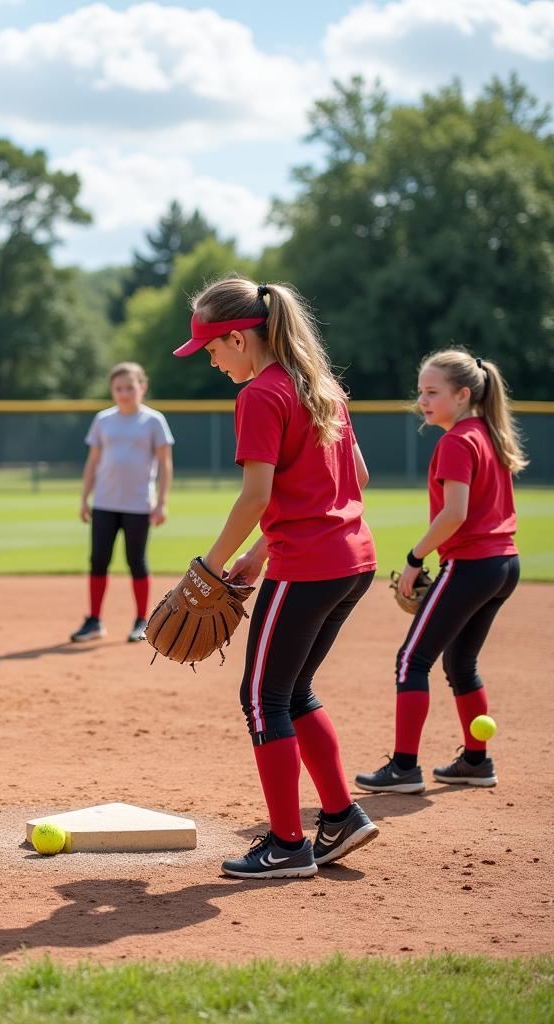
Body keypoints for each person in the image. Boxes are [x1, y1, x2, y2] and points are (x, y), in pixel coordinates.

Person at [174, 276, 379, 879]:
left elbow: (255, 496)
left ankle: (288, 846)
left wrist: (212, 563)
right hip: (352, 561)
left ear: (238, 338)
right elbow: (355, 479)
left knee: (261, 698)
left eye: (212, 349)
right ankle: (340, 817)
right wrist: (261, 552)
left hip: (308, 568)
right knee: (293, 691)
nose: (211, 362)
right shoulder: (323, 386)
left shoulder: (261, 395)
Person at [356, 351, 524, 794]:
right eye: (420, 392)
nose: (423, 400)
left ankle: (405, 768)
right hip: (504, 564)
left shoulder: (455, 441)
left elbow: (455, 514)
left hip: (470, 563)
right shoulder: (486, 434)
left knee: (413, 660)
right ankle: (475, 760)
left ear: (463, 394)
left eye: (433, 392)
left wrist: (415, 559)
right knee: (460, 662)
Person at [71, 362, 174, 644]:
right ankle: (94, 621)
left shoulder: (153, 421)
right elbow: (92, 462)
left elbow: (165, 464)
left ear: (143, 387)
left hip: (138, 504)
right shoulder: (103, 420)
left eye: (130, 387)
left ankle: (142, 621)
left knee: (136, 561)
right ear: (112, 390)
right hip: (104, 502)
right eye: (118, 388)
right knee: (98, 561)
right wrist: (84, 498)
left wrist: (162, 502)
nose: (124, 393)